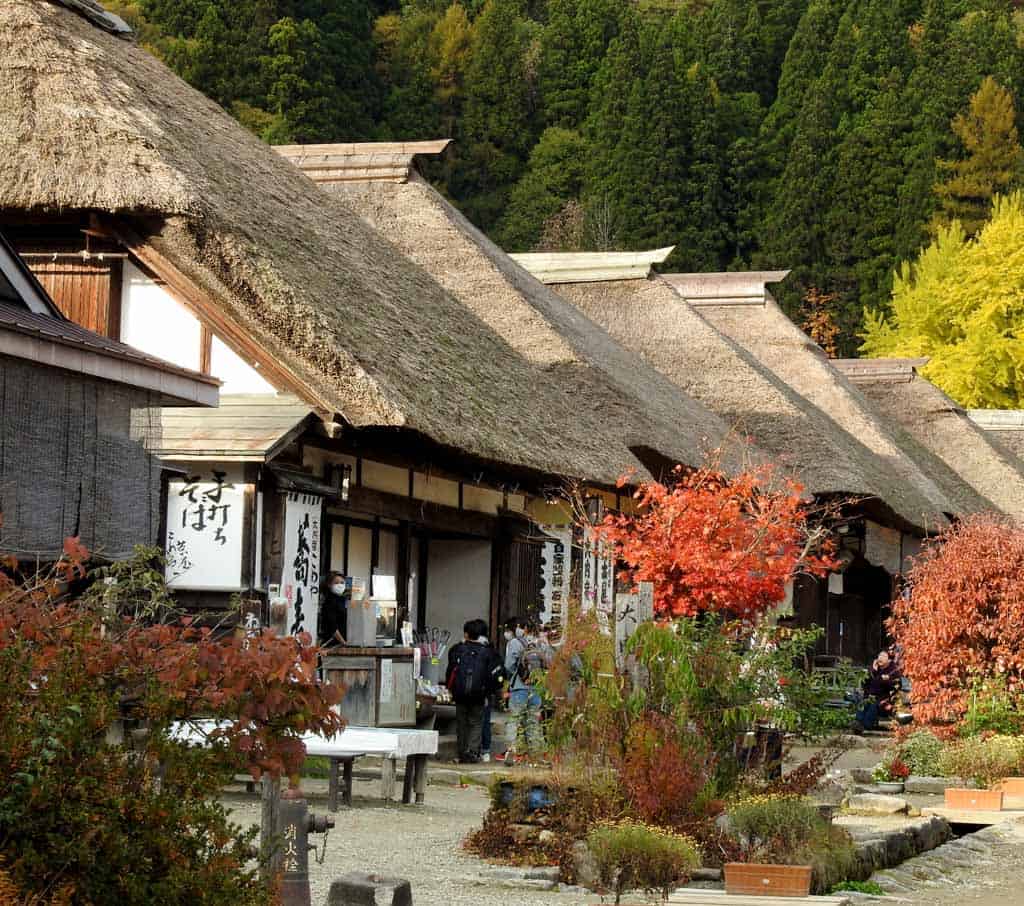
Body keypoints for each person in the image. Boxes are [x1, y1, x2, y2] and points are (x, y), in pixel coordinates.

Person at [447, 619, 502, 763]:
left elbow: (450, 671)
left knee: (461, 722)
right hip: (480, 694)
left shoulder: (457, 649)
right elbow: (494, 675)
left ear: (466, 634)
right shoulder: (488, 652)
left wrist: (451, 690)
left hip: (460, 694)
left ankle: (461, 753)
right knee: (476, 722)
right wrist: (489, 693)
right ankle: (472, 752)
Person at [501, 616, 550, 762]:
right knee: (533, 721)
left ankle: (511, 750)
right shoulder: (541, 644)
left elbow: (508, 665)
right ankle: (536, 753)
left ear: (525, 629)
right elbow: (548, 665)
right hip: (536, 689)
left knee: (514, 720)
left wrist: (515, 677)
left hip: (519, 688)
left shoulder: (515, 643)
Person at [856, 649, 901, 732]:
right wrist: (873, 671)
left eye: (883, 656)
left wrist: (887, 680)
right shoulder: (874, 669)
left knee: (874, 704)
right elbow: (865, 684)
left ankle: (866, 725)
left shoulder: (893, 671)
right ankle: (858, 724)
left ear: (889, 660)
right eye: (879, 656)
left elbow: (896, 687)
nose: (880, 658)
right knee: (863, 702)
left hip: (886, 700)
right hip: (871, 697)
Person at [318, 572, 348, 647]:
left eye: (342, 582)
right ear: (329, 585)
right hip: (332, 644)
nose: (340, 585)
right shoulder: (329, 602)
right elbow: (332, 626)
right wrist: (343, 642)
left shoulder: (342, 599)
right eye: (336, 583)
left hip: (341, 643)